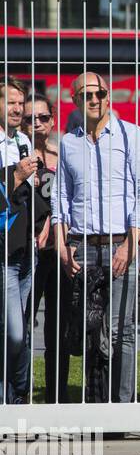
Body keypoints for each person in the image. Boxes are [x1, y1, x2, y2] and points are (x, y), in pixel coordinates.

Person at [52, 72, 140, 403]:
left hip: (121, 243)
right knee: (89, 329)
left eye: (99, 93)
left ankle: (121, 407)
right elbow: (61, 199)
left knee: (120, 331)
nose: (94, 99)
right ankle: (96, 405)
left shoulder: (133, 136)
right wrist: (61, 244)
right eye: (86, 95)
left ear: (108, 96)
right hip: (83, 247)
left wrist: (130, 243)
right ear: (75, 100)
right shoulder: (70, 143)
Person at [0, 84, 42, 404]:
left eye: (20, 102)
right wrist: (14, 176)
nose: (18, 108)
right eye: (11, 102)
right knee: (13, 335)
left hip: (28, 249)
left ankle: (14, 401)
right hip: (5, 254)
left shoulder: (24, 140)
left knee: (22, 331)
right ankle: (17, 391)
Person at [24, 94, 58, 398]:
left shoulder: (60, 158)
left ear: (53, 120)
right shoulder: (17, 156)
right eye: (30, 118)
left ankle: (57, 392)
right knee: (21, 324)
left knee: (57, 326)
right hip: (25, 248)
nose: (37, 123)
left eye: (43, 117)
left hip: (56, 249)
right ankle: (20, 390)